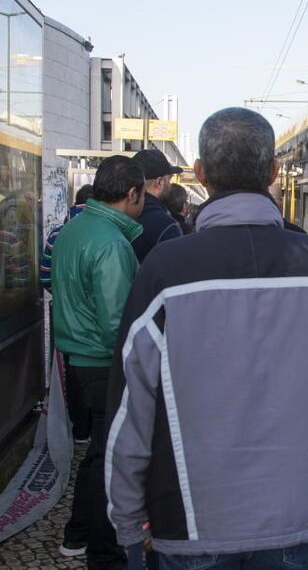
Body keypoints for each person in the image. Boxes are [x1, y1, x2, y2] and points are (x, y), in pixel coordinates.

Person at [105, 107, 308, 569]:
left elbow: (131, 410)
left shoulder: (166, 270)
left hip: (189, 525)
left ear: (200, 173)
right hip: (298, 517)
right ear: (274, 172)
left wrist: (128, 519)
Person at [52, 156, 145, 567]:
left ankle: (78, 533)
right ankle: (103, 551)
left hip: (77, 358)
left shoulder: (74, 229)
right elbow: (117, 323)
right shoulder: (111, 243)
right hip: (104, 363)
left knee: (98, 456)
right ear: (132, 193)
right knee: (111, 460)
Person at [41, 184, 95, 443]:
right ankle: (93, 427)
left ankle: (78, 429)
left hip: (62, 312)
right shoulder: (102, 234)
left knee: (68, 371)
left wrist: (63, 295)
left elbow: (44, 276)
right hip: (93, 319)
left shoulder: (56, 234)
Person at [131, 148, 184, 261]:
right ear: (160, 182)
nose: (170, 184)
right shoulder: (165, 225)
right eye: (169, 180)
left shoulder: (121, 213)